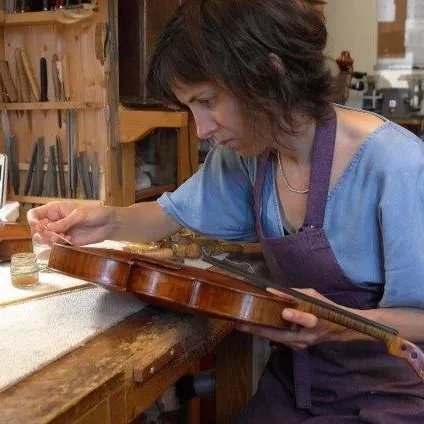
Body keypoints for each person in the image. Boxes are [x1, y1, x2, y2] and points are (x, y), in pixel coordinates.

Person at [27, 0, 424, 421]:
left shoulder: (395, 163)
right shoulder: (252, 153)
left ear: (269, 72)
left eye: (207, 100)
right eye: (190, 107)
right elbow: (172, 214)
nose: (202, 129)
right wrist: (106, 219)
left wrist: (339, 325)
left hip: (387, 395)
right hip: (296, 385)